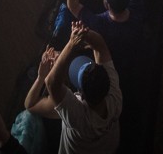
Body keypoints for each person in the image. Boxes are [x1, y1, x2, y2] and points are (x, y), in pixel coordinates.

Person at [25, 23, 121, 154]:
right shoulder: (114, 94)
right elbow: (100, 46)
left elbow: (31, 103)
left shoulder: (76, 113)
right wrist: (81, 34)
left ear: (81, 93)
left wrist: (41, 76)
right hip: (109, 146)